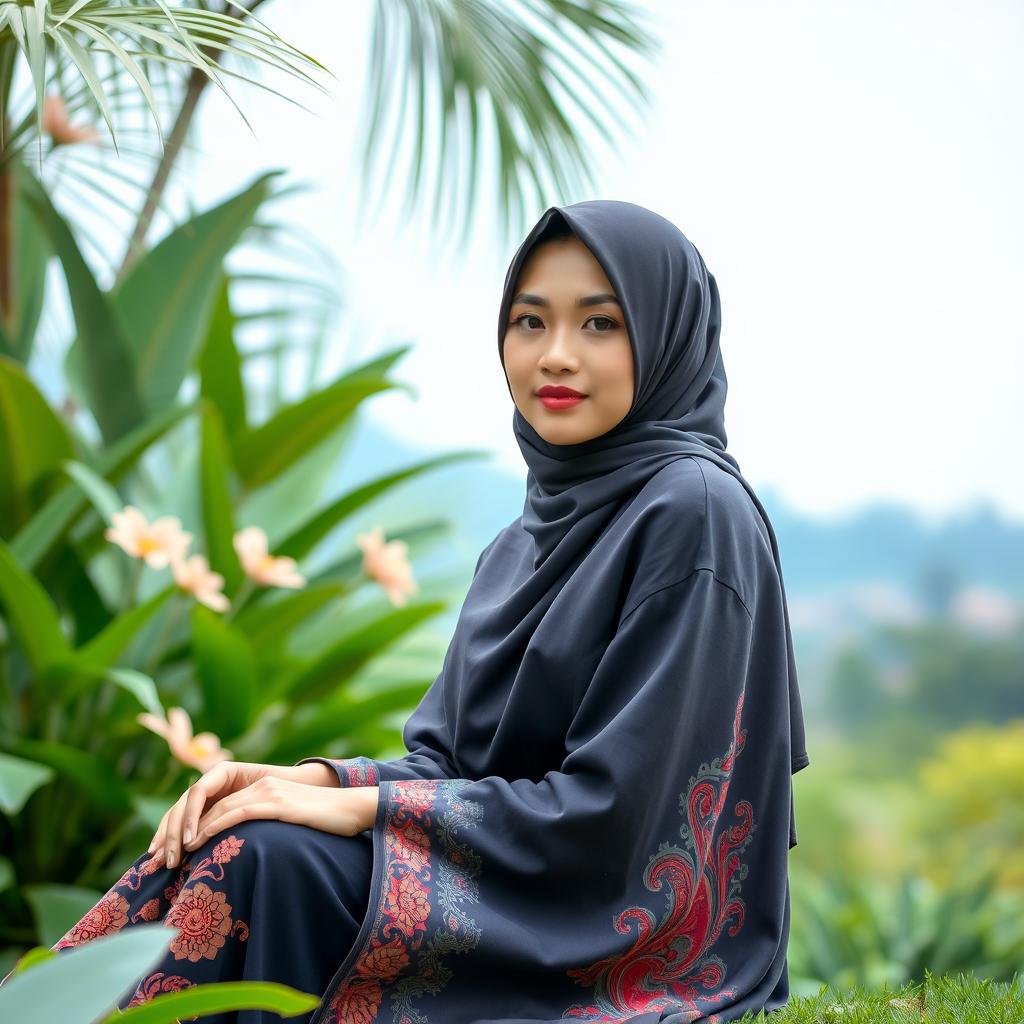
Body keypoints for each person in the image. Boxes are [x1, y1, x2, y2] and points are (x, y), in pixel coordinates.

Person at [7, 200, 810, 1024]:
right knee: (246, 835)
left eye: (600, 324)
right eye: (529, 322)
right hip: (506, 881)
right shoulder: (524, 539)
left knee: (263, 859)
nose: (555, 355)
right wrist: (303, 781)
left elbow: (623, 817)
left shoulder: (693, 511)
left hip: (609, 927)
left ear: (667, 337)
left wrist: (363, 806)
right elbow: (450, 768)